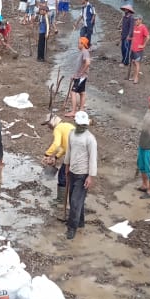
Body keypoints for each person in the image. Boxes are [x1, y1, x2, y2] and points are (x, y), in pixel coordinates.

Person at [64, 110, 98, 240]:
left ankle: (72, 227)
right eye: (79, 125)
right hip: (72, 171)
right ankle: (80, 222)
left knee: (75, 202)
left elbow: (93, 159)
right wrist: (66, 165)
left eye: (83, 125)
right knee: (75, 199)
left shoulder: (90, 139)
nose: (81, 127)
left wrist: (91, 176)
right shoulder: (71, 134)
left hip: (83, 174)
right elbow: (69, 151)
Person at [43, 114, 75, 203]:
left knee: (62, 175)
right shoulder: (68, 126)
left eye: (48, 125)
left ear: (52, 123)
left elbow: (56, 144)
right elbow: (65, 147)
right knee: (72, 175)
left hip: (73, 153)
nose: (48, 127)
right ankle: (70, 198)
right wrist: (56, 157)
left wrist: (47, 154)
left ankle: (61, 201)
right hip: (78, 153)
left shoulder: (58, 129)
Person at [67, 37, 91, 117]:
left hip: (81, 77)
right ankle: (81, 109)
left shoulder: (85, 52)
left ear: (82, 44)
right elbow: (79, 65)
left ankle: (74, 111)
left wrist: (81, 73)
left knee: (73, 92)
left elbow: (88, 63)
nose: (78, 45)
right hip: (79, 76)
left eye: (79, 43)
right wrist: (75, 75)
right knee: (82, 93)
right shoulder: (83, 52)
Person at [130, 13, 150, 83]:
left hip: (139, 50)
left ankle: (136, 78)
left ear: (140, 20)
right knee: (133, 62)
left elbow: (148, 37)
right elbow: (134, 36)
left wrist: (143, 45)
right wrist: (130, 38)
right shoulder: (134, 27)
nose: (135, 21)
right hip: (133, 48)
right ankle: (133, 76)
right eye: (135, 20)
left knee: (137, 63)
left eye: (137, 20)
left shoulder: (143, 27)